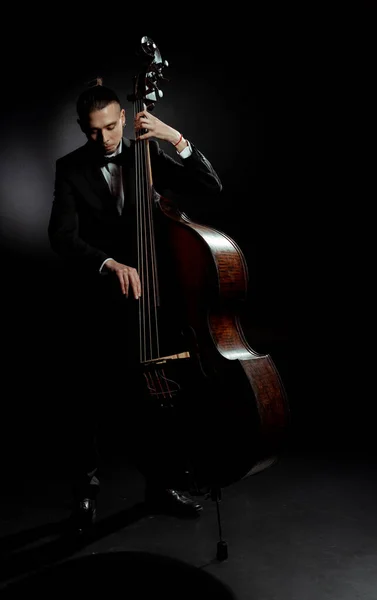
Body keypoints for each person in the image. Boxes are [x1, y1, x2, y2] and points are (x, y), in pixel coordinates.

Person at [48, 82, 223, 534]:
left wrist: (173, 137)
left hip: (155, 301)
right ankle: (85, 494)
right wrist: (108, 264)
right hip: (98, 304)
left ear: (124, 118)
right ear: (82, 130)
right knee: (87, 401)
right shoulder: (69, 169)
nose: (104, 139)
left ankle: (161, 486)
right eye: (93, 132)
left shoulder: (147, 156)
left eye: (110, 126)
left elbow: (211, 186)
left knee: (158, 396)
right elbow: (63, 237)